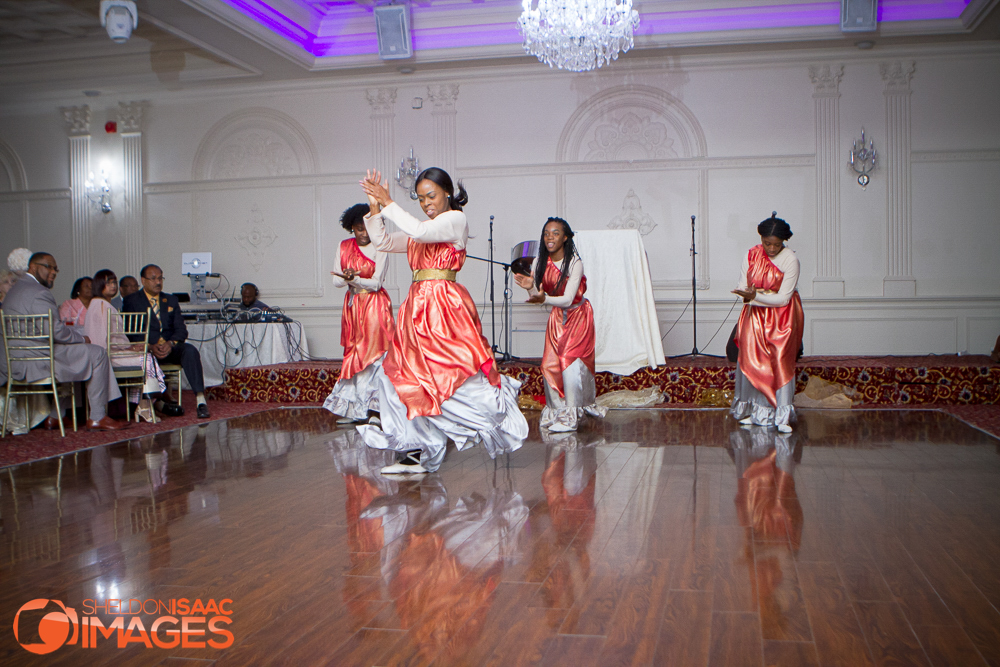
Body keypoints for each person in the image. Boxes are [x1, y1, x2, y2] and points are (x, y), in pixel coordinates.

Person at [356, 167, 528, 474]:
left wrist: (389, 201)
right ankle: (412, 452)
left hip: (443, 308)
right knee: (397, 376)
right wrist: (374, 206)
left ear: (447, 193)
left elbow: (421, 232)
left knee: (450, 376)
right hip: (416, 308)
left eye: (431, 195)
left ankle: (495, 415)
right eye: (421, 198)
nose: (425, 203)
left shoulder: (455, 221)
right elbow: (380, 241)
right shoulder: (420, 227)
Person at [0, 252, 130, 431]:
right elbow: (55, 332)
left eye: (56, 269)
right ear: (33, 267)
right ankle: (98, 416)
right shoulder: (39, 292)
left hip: (14, 359)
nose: (53, 272)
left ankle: (56, 415)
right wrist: (80, 338)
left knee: (77, 356)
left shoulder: (14, 290)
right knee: (97, 353)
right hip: (38, 360)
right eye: (49, 267)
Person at [515, 217, 606, 432]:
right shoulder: (538, 262)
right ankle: (557, 411)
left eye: (555, 233)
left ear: (565, 238)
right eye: (547, 233)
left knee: (570, 363)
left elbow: (566, 299)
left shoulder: (575, 263)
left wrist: (542, 298)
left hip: (578, 316)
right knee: (550, 365)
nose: (550, 237)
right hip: (557, 318)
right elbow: (537, 296)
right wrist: (530, 287)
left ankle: (571, 417)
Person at [730, 213, 804, 433]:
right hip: (754, 315)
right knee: (752, 360)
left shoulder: (790, 259)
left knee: (780, 362)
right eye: (767, 243)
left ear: (784, 242)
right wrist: (748, 296)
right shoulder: (752, 255)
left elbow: (783, 298)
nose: (771, 249)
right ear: (760, 238)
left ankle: (782, 416)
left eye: (777, 245)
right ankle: (755, 411)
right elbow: (742, 285)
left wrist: (755, 297)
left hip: (782, 317)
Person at [323, 203, 394, 425]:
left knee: (373, 357)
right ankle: (357, 410)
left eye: (367, 228)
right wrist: (347, 279)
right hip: (353, 306)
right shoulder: (344, 246)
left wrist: (353, 279)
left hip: (375, 306)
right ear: (351, 228)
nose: (363, 233)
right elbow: (335, 280)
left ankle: (377, 411)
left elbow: (376, 283)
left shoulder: (381, 247)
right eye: (358, 228)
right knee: (354, 355)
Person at [123, 264, 211, 419]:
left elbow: (181, 330)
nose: (158, 282)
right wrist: (150, 346)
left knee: (190, 351)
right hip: (148, 350)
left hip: (169, 347)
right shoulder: (132, 301)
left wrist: (171, 344)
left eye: (160, 278)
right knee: (145, 357)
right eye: (153, 279)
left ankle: (200, 400)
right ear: (143, 281)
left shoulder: (170, 299)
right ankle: (158, 404)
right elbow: (131, 333)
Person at [84, 269, 167, 421]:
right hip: (109, 356)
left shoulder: (97, 304)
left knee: (147, 357)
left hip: (108, 352)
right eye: (108, 283)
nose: (113, 286)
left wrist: (129, 347)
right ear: (99, 285)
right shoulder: (102, 306)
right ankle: (144, 405)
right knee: (147, 359)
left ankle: (144, 404)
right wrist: (129, 347)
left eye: (114, 282)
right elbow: (106, 338)